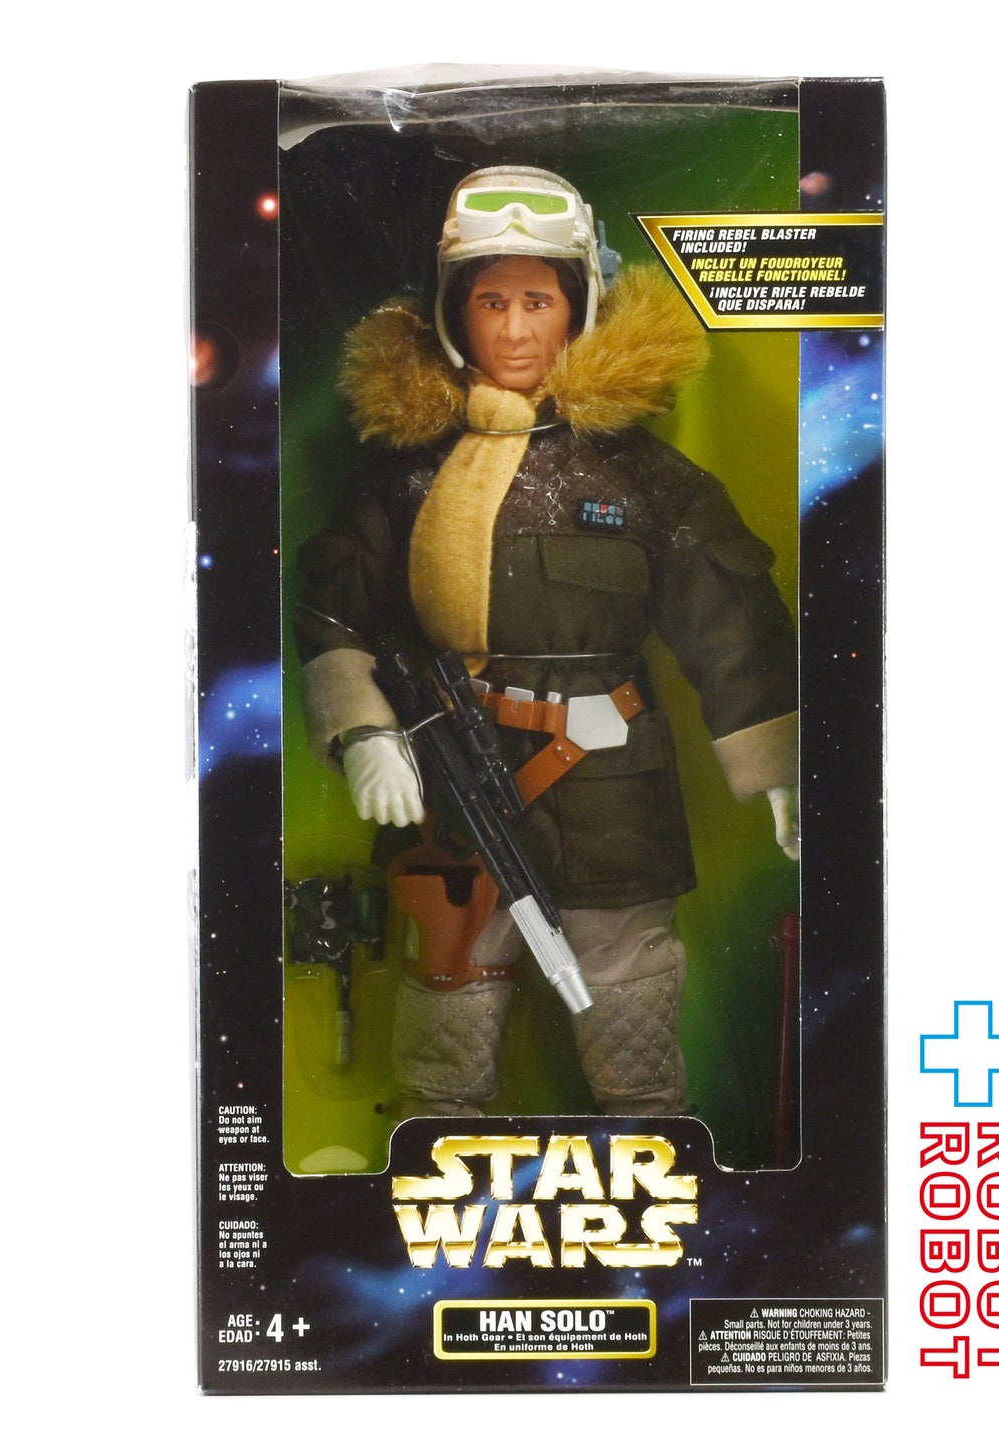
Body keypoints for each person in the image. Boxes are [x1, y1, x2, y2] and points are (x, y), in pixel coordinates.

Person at [294, 166, 798, 1117]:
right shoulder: (403, 479)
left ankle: (652, 1171)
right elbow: (334, 608)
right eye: (491, 302)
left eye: (539, 301)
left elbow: (730, 616)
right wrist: (364, 730)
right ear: (453, 313)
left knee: (628, 1005)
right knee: (444, 1024)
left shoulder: (642, 477)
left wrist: (781, 768)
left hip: (610, 788)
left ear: (579, 308)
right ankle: (430, 1180)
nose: (516, 330)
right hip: (452, 778)